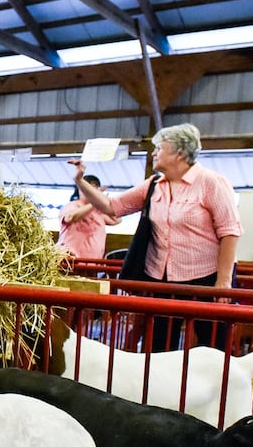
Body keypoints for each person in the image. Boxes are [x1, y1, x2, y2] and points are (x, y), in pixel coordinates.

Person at [69, 123, 241, 350]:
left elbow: (230, 230)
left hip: (205, 279)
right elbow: (112, 207)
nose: (153, 153)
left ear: (179, 153)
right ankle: (159, 386)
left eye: (159, 148)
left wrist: (223, 282)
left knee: (212, 345)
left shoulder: (210, 183)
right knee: (159, 345)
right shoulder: (153, 185)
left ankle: (214, 385)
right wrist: (80, 181)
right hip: (162, 281)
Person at [57, 173, 121, 262]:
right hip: (70, 262)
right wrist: (94, 204)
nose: (91, 193)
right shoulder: (72, 206)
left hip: (93, 263)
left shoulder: (99, 211)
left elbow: (116, 220)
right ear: (80, 189)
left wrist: (103, 202)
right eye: (88, 189)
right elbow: (70, 217)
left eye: (94, 190)